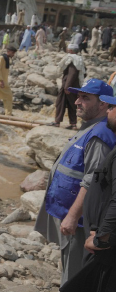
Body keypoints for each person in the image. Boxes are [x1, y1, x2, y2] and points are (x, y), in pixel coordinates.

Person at [35, 79, 116, 286]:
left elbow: (93, 181)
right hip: (67, 213)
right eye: (78, 96)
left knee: (74, 275)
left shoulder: (100, 135)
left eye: (85, 98)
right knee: (68, 265)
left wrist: (72, 215)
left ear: (104, 104)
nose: (77, 102)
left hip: (79, 221)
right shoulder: (88, 127)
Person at [72, 93, 116, 291]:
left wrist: (101, 238)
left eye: (113, 107)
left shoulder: (102, 137)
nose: (108, 111)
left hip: (105, 248)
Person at [48, 44, 86, 130]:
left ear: (71, 51)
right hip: (74, 86)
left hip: (68, 86)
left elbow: (72, 74)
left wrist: (67, 86)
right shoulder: (79, 59)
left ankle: (57, 122)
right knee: (72, 104)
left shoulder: (72, 59)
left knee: (60, 103)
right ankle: (73, 124)